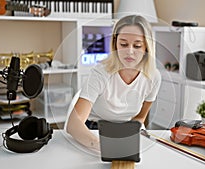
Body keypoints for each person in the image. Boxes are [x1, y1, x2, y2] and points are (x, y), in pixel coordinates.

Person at [66, 15, 161, 151]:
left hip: (125, 130)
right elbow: (73, 124)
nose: (129, 51)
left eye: (137, 45)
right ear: (115, 43)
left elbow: (140, 117)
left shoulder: (154, 77)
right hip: (94, 130)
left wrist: (128, 137)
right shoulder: (100, 73)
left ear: (147, 47)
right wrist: (103, 146)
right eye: (123, 44)